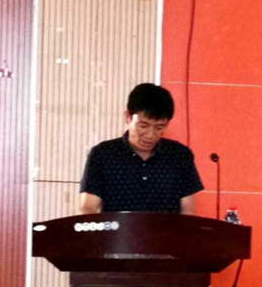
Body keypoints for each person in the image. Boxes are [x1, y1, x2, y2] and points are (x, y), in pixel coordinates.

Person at [79, 83, 203, 215]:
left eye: (159, 127)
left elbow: (187, 211)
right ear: (128, 117)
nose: (150, 135)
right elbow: (88, 208)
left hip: (167, 229)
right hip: (117, 228)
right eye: (143, 125)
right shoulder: (102, 154)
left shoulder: (180, 156)